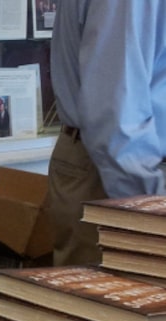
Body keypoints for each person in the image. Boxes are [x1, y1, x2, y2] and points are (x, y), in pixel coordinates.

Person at [48, 1, 166, 266]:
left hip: (123, 167)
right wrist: (149, 210)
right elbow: (116, 113)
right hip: (117, 173)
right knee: (107, 303)